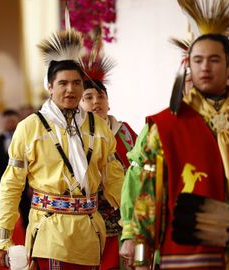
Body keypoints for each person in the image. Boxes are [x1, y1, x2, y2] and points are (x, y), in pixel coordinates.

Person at [126, 1, 229, 269]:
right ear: (189, 66)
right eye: (198, 60)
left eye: (214, 59)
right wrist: (141, 258)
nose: (205, 67)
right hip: (189, 256)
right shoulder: (164, 126)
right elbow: (147, 198)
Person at [0, 29, 124, 269]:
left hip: (91, 232)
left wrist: (132, 221)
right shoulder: (30, 127)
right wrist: (4, 237)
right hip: (49, 231)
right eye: (63, 83)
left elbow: (114, 178)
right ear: (50, 87)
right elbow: (12, 183)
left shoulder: (98, 127)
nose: (70, 89)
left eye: (76, 83)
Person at [80, 54, 137, 270]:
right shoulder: (75, 138)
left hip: (124, 219)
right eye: (89, 97)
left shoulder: (125, 132)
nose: (96, 102)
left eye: (101, 96)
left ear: (109, 102)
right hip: (89, 222)